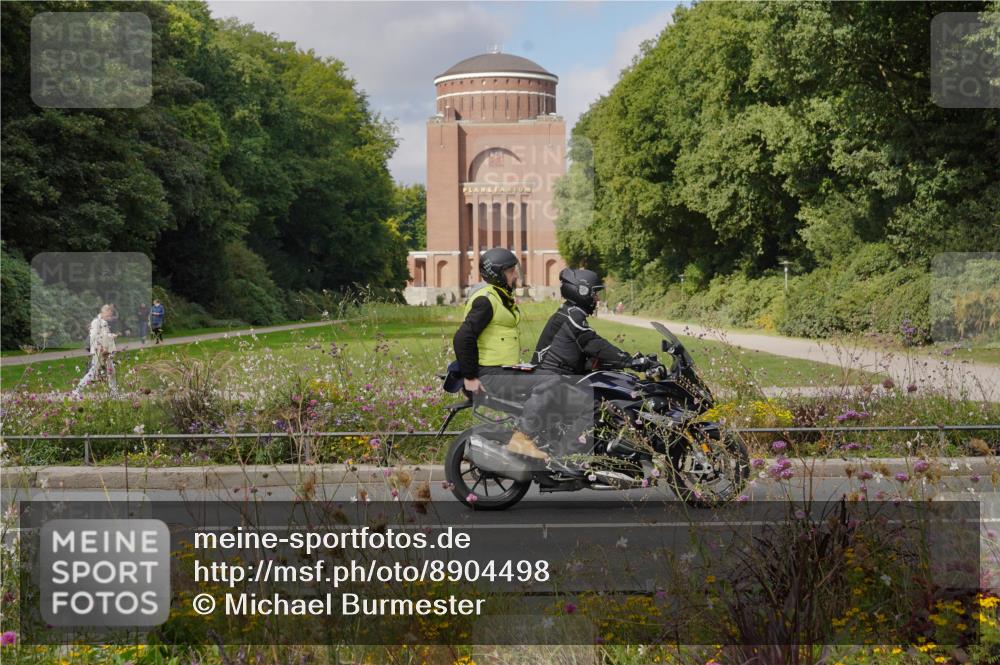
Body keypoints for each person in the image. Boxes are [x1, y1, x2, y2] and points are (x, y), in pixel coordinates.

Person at [453, 248, 558, 461]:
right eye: (510, 271)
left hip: (502, 370)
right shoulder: (486, 301)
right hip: (491, 374)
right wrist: (470, 377)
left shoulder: (499, 297)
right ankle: (523, 437)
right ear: (497, 274)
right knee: (551, 381)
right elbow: (462, 337)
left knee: (551, 373)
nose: (515, 275)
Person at [533, 268, 652, 376]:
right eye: (594, 293)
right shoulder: (572, 317)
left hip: (553, 377)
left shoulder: (568, 312)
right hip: (551, 381)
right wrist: (632, 362)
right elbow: (595, 345)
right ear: (582, 291)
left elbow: (586, 351)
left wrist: (625, 360)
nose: (597, 298)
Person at [72, 304, 119, 398]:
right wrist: (109, 337)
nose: (109, 317)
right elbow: (93, 336)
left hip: (106, 350)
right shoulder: (96, 322)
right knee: (93, 371)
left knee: (111, 370)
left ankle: (114, 393)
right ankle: (77, 390)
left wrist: (109, 336)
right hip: (100, 350)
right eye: (108, 314)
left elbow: (103, 335)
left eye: (110, 315)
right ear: (104, 311)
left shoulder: (103, 322)